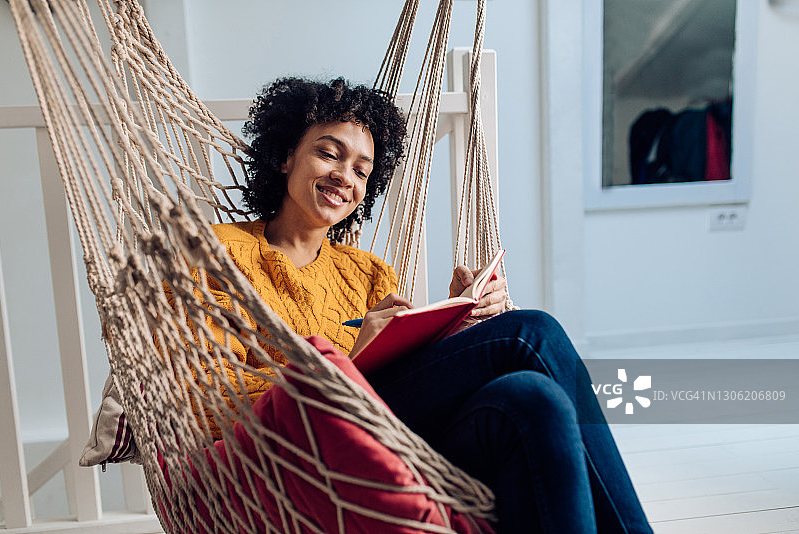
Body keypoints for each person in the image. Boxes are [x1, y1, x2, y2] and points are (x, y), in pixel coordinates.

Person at [202, 76, 652, 534]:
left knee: (536, 399)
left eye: (362, 170)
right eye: (329, 154)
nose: (344, 176)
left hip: (390, 438)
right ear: (285, 156)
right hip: (295, 444)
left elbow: (407, 382)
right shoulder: (218, 252)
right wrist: (351, 359)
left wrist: (458, 325)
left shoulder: (368, 272)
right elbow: (209, 400)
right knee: (532, 333)